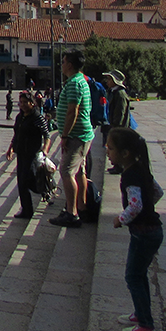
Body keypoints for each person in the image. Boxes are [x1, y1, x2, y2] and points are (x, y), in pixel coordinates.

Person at [107, 127, 165, 331]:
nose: (107, 152)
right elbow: (157, 192)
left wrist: (120, 219)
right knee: (139, 275)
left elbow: (136, 205)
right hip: (152, 230)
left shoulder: (129, 175)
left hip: (143, 233)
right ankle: (140, 313)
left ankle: (146, 325)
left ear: (125, 154)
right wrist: (149, 209)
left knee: (133, 276)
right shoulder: (142, 168)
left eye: (111, 148)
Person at [50, 50, 94, 228]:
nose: (61, 64)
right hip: (81, 134)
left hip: (76, 135)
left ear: (70, 64)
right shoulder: (79, 80)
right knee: (79, 171)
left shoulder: (75, 83)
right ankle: (81, 207)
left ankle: (71, 213)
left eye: (63, 61)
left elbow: (72, 111)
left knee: (66, 172)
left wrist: (65, 135)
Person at [6, 91, 50, 218]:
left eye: (26, 102)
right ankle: (27, 209)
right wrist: (11, 148)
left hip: (32, 153)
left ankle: (43, 191)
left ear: (32, 103)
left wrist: (45, 150)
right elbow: (17, 134)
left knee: (27, 180)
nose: (23, 105)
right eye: (21, 102)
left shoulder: (37, 117)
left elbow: (46, 135)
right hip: (21, 153)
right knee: (22, 181)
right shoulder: (20, 117)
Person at [104, 69, 131, 173]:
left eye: (109, 79)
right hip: (114, 124)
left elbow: (120, 112)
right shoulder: (114, 92)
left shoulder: (120, 94)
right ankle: (116, 165)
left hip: (119, 126)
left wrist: (116, 127)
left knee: (119, 146)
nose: (107, 81)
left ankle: (119, 166)